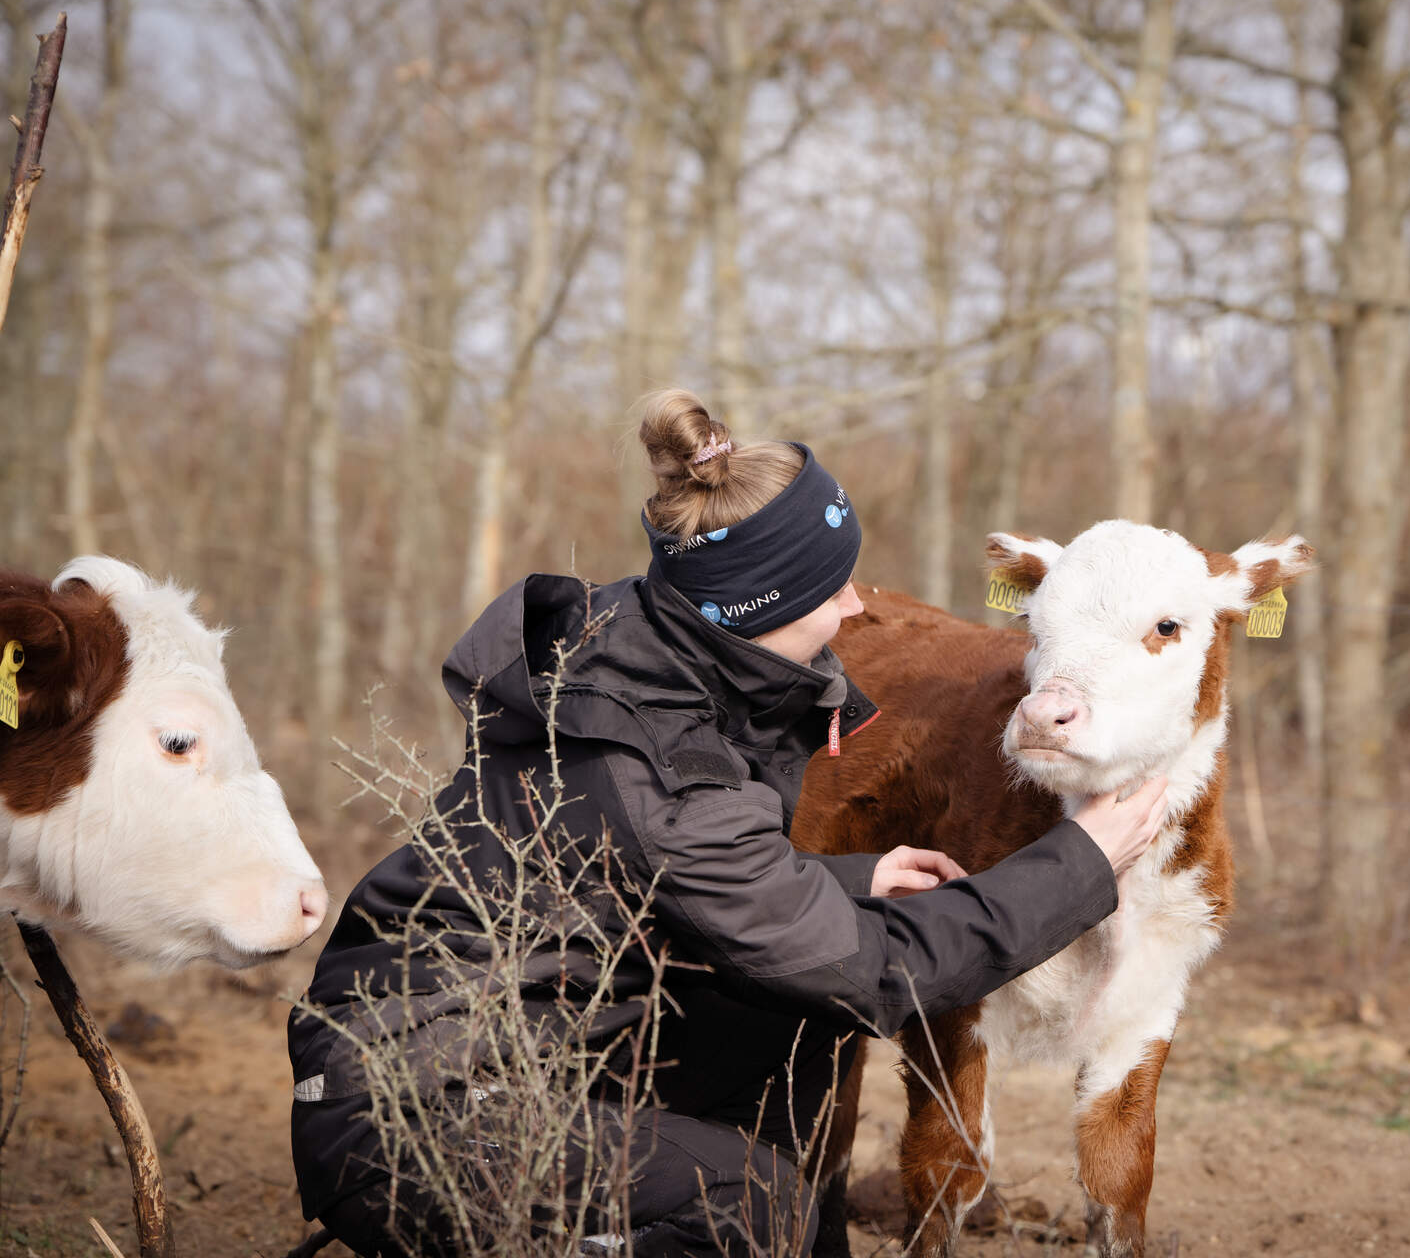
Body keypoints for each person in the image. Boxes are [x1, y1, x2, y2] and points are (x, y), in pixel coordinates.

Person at [287, 390, 1169, 1257]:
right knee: (751, 1206)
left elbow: (631, 884)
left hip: (534, 1037)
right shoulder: (660, 764)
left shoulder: (656, 652)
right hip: (420, 1116)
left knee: (794, 1009)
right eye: (832, 589)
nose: (857, 608)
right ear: (758, 609)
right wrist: (1079, 862)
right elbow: (870, 973)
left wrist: (852, 880)